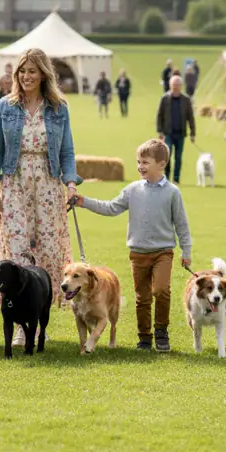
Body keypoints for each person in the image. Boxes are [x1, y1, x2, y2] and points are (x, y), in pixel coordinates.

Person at [0, 47, 81, 319]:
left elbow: (67, 151)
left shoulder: (58, 108)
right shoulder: (5, 106)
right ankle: (18, 321)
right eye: (22, 71)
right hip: (14, 182)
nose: (26, 76)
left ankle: (40, 317)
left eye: (32, 71)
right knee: (17, 250)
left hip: (49, 183)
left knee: (49, 250)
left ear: (43, 74)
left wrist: (71, 183)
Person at [73, 138, 192, 352]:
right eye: (138, 162)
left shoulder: (173, 192)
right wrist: (83, 201)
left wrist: (186, 251)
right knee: (142, 297)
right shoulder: (133, 190)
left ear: (162, 164)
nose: (140, 166)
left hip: (163, 252)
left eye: (145, 162)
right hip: (138, 253)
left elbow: (181, 224)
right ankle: (144, 337)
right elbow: (110, 208)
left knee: (161, 290)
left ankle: (161, 332)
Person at [156, 75, 195, 184]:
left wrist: (193, 132)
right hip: (168, 133)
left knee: (178, 157)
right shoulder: (165, 98)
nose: (176, 87)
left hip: (181, 133)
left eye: (178, 85)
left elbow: (190, 116)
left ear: (181, 86)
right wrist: (160, 131)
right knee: (167, 155)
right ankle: (167, 178)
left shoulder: (186, 100)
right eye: (174, 85)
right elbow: (159, 115)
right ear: (170, 85)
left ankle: (176, 179)